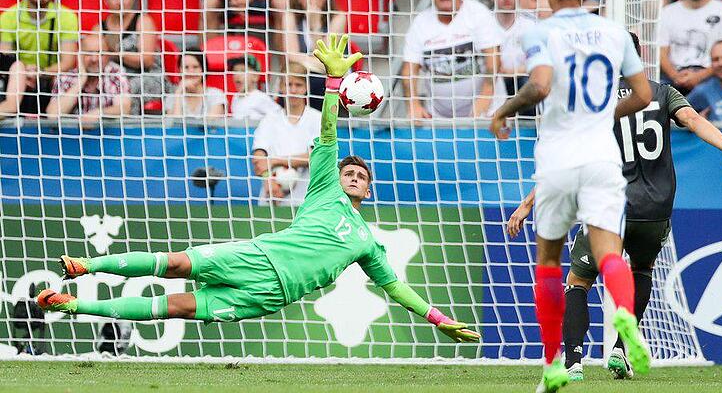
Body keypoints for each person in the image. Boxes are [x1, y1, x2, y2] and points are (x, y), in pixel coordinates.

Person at [37, 34, 481, 347]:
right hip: (256, 254)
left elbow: (396, 288)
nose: (353, 176)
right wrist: (330, 83)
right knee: (172, 263)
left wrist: (438, 319)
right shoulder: (324, 189)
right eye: (349, 171)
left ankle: (74, 306)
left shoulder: (366, 242)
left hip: (269, 294)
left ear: (368, 190)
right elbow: (328, 130)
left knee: (170, 307)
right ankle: (85, 265)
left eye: (361, 176)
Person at [508, 33, 722, 382]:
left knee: (578, 281)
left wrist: (529, 203)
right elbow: (695, 121)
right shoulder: (662, 92)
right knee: (642, 270)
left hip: (611, 207)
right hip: (655, 210)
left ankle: (574, 361)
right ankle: (621, 349)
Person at [488, 0, 653, 391]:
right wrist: (601, 116)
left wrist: (504, 109)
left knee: (549, 261)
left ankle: (552, 364)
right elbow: (645, 94)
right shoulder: (616, 33)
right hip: (602, 157)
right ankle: (624, 316)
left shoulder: (539, 32)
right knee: (610, 255)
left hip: (559, 158)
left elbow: (540, 85)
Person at [401, 0, 503, 119]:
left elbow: (493, 58)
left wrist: (486, 96)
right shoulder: (420, 23)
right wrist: (413, 103)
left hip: (487, 113)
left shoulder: (478, 13)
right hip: (440, 119)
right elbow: (409, 69)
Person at [0, 0, 79, 113]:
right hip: (17, 76)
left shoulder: (67, 17)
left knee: (67, 78)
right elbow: (5, 58)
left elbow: (68, 62)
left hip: (51, 77)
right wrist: (24, 72)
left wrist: (41, 72)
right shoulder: (8, 17)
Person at [94, 0, 173, 114]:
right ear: (106, 0)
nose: (120, 2)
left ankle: (130, 129)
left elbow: (146, 60)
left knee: (125, 90)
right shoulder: (99, 28)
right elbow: (94, 58)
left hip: (147, 77)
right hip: (114, 76)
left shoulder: (142, 21)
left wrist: (114, 53)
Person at [251, 62, 320, 206]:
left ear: (306, 87)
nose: (293, 90)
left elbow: (315, 158)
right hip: (272, 200)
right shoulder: (269, 120)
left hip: (306, 202)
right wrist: (269, 181)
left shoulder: (318, 119)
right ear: (281, 87)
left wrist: (275, 161)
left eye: (298, 85)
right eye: (288, 84)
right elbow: (259, 158)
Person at [282, 0, 347, 114]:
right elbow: (291, 56)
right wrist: (319, 64)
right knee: (293, 82)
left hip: (332, 78)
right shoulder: (290, 16)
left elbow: (328, 59)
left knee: (317, 82)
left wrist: (315, 25)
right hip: (303, 75)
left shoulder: (338, 18)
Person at [45, 34, 131, 125]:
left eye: (99, 53)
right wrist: (81, 79)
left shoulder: (116, 75)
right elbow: (52, 114)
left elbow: (124, 109)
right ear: (80, 55)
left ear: (107, 56)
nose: (94, 59)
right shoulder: (66, 77)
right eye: (89, 53)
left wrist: (99, 113)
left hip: (108, 136)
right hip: (73, 136)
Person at [493, 0, 536, 99]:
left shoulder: (530, 26)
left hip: (521, 79)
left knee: (528, 84)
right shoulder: (484, 25)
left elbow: (537, 61)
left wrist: (514, 72)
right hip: (492, 80)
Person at [166, 50, 227, 118]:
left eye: (195, 67)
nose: (191, 72)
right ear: (180, 70)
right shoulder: (172, 97)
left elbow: (211, 123)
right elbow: (174, 126)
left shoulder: (216, 94)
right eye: (186, 67)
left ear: (203, 69)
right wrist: (178, 93)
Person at [228, 55, 281, 120]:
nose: (237, 75)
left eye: (243, 71)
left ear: (255, 77)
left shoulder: (260, 97)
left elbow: (279, 115)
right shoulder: (235, 97)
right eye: (235, 71)